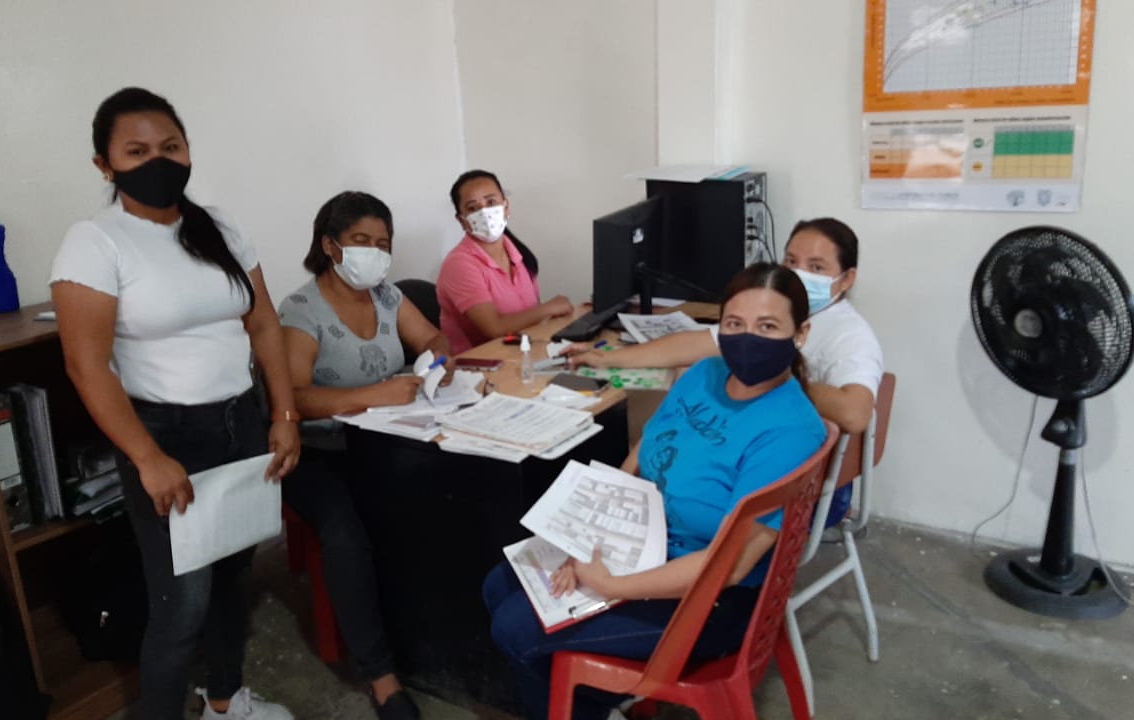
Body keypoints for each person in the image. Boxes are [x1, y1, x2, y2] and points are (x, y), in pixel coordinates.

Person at [50, 88, 299, 720]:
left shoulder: (219, 226)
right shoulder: (95, 242)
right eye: (136, 151)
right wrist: (147, 458)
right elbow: (86, 365)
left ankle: (225, 701)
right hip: (164, 435)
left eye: (170, 146)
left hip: (239, 421)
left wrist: (282, 414)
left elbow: (264, 324)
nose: (157, 161)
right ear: (104, 165)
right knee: (180, 605)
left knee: (232, 577)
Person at [484, 264, 828, 720]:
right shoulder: (704, 375)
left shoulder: (789, 431)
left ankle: (581, 705)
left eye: (767, 327)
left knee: (516, 628)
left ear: (800, 334)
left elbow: (729, 565)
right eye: (734, 324)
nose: (748, 339)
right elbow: (645, 449)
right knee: (499, 585)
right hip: (645, 545)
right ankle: (586, 704)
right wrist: (587, 537)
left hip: (709, 597)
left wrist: (611, 584)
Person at [565, 218, 883, 524]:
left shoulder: (850, 336)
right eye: (791, 261)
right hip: (740, 451)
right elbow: (690, 345)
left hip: (798, 481)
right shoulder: (764, 309)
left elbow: (855, 413)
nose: (799, 273)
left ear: (846, 279)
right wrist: (610, 358)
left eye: (816, 267)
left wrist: (775, 375)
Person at [276, 191, 454, 720]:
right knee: (345, 532)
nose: (375, 253)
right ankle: (381, 676)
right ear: (330, 245)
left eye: (383, 243)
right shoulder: (301, 310)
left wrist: (436, 362)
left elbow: (435, 337)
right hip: (315, 452)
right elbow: (292, 400)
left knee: (447, 491)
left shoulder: (388, 297)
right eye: (361, 241)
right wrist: (371, 396)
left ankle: (436, 634)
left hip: (383, 440)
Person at [436, 170, 574, 353]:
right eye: (472, 208)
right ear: (462, 221)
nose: (484, 213)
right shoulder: (459, 264)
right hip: (478, 364)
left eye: (491, 202)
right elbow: (495, 328)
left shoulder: (517, 253)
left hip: (523, 353)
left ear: (506, 207)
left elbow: (531, 316)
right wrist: (549, 308)